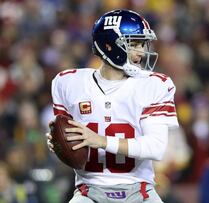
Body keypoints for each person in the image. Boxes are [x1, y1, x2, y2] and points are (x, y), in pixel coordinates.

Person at [46, 9, 179, 203]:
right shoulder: (68, 83)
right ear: (109, 46)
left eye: (142, 44)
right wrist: (60, 142)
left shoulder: (154, 85)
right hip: (89, 190)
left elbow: (155, 147)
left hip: (139, 190)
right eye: (133, 44)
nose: (141, 52)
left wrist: (100, 140)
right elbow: (71, 140)